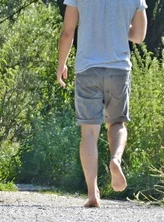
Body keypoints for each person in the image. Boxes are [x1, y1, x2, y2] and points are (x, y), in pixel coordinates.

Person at [57, 0, 148, 207]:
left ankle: (92, 193)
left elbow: (67, 32)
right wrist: (116, 29)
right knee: (117, 123)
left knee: (89, 132)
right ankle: (115, 159)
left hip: (87, 69)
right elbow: (139, 36)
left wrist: (61, 64)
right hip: (118, 68)